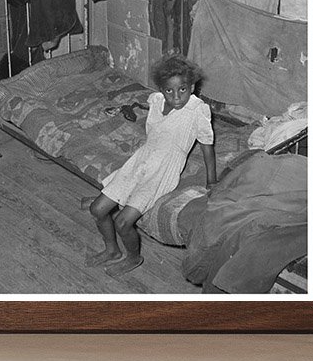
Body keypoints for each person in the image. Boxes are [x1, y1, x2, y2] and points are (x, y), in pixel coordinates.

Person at [87, 54, 216, 277]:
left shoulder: (197, 110)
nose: (176, 97)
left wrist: (212, 181)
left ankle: (134, 257)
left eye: (183, 90)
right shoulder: (155, 101)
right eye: (169, 91)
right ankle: (112, 250)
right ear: (161, 88)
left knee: (123, 222)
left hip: (162, 170)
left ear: (192, 87)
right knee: (97, 209)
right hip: (141, 160)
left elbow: (207, 145)